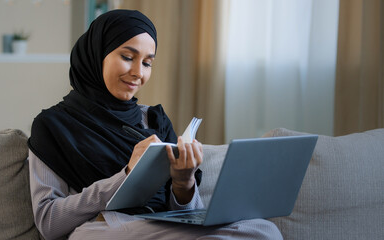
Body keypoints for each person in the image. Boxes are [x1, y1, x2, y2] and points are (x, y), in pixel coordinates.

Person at [28, 9, 283, 240]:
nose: (139, 72)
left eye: (148, 63)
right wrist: (125, 176)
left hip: (162, 226)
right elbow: (49, 223)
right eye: (128, 57)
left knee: (264, 229)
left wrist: (184, 182)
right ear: (97, 54)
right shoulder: (54, 126)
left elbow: (187, 215)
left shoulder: (153, 119)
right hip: (104, 228)